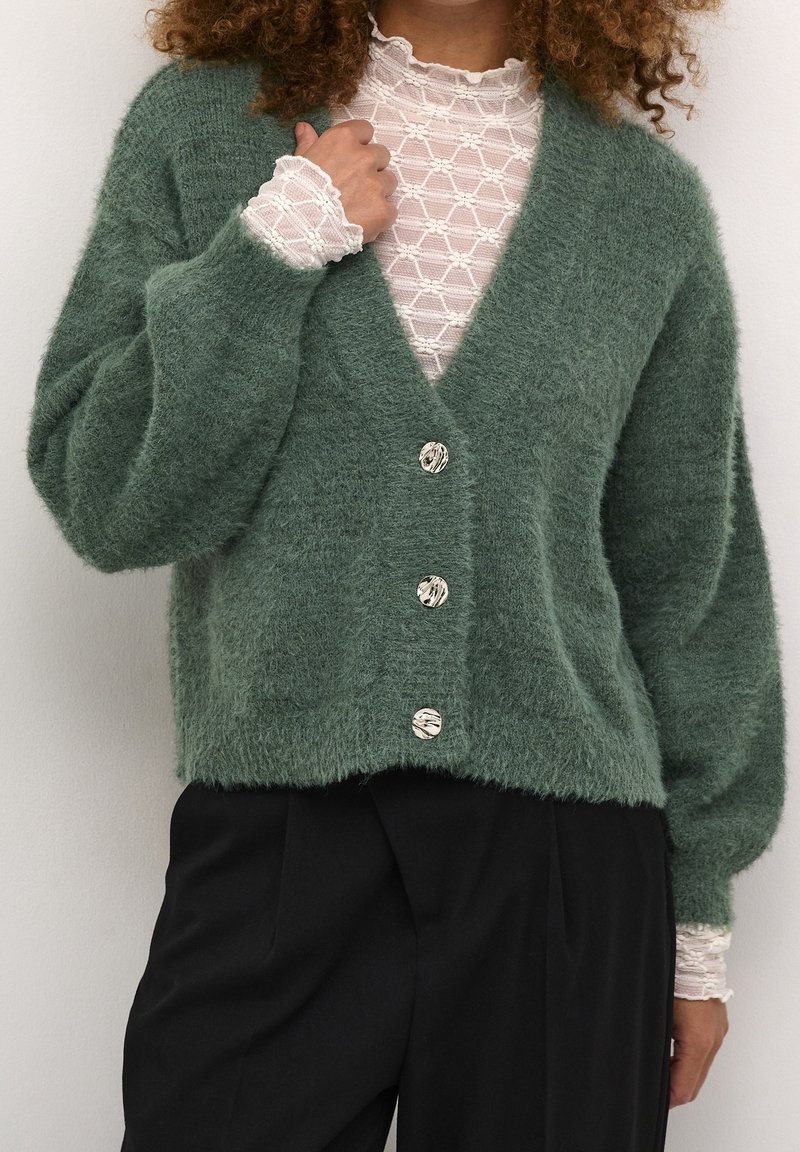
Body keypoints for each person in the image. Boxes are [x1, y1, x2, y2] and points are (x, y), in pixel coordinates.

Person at [25, 1, 786, 1149]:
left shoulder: (642, 205)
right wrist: (268, 251)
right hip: (280, 818)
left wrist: (695, 926)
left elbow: (689, 574)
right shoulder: (204, 129)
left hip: (565, 852)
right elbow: (109, 498)